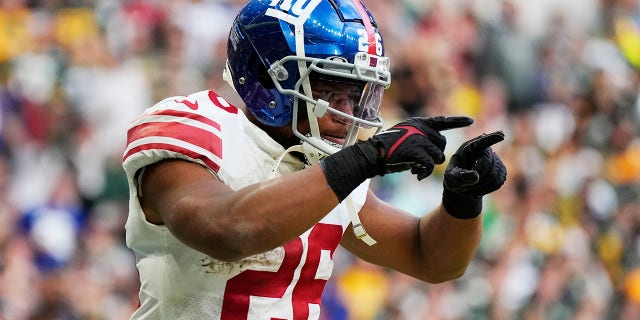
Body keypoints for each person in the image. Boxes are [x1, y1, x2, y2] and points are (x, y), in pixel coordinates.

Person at [121, 0, 507, 318]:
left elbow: (431, 258)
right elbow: (226, 231)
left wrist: (461, 199)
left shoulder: (324, 163)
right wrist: (364, 159)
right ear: (267, 80)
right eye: (328, 89)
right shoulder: (194, 126)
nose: (346, 111)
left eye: (356, 95)